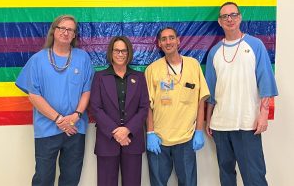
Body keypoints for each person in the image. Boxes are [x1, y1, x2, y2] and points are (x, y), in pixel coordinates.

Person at [205, 2, 278, 186]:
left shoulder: (255, 45)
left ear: (240, 17)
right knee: (226, 174)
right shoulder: (214, 52)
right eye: (224, 16)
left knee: (254, 175)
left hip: (247, 123)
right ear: (219, 22)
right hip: (220, 125)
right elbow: (211, 92)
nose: (229, 19)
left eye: (233, 14)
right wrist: (208, 120)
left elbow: (266, 83)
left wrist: (263, 115)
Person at [15, 15, 94, 186]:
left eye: (70, 30)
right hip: (46, 130)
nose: (66, 33)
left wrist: (76, 115)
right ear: (54, 31)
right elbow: (33, 96)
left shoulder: (83, 58)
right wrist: (58, 119)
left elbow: (86, 91)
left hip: (75, 128)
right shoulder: (37, 60)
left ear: (74, 35)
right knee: (43, 179)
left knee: (71, 178)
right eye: (62, 28)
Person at [144, 27, 210, 186]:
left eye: (171, 38)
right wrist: (151, 132)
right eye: (164, 39)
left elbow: (201, 100)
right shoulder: (152, 69)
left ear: (178, 40)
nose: (168, 42)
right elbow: (147, 105)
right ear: (159, 43)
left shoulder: (193, 65)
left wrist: (199, 130)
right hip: (159, 139)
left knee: (188, 182)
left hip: (186, 138)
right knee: (158, 183)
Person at [90, 36, 149, 186]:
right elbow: (95, 108)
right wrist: (115, 131)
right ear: (111, 52)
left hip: (132, 140)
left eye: (124, 51)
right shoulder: (99, 77)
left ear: (129, 53)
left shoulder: (139, 77)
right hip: (107, 140)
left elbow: (143, 107)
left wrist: (127, 130)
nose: (120, 54)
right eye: (117, 50)